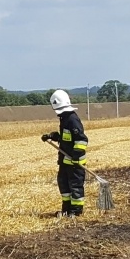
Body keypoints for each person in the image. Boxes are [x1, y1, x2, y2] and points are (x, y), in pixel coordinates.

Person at [43, 89, 88, 217]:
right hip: (65, 161)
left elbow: (82, 140)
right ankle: (66, 210)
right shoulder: (64, 118)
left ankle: (76, 211)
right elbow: (66, 138)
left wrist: (76, 155)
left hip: (75, 163)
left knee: (75, 187)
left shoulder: (72, 119)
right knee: (64, 185)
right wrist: (52, 136)